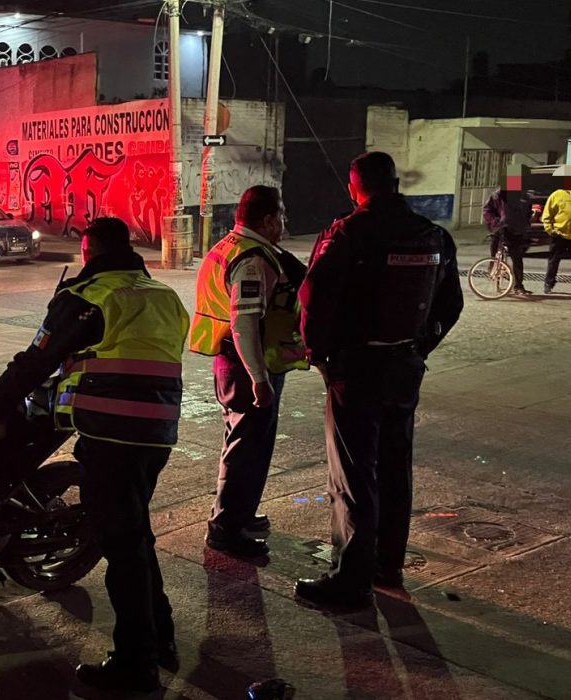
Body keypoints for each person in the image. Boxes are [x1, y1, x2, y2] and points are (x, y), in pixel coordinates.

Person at [0, 218, 190, 693]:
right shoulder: (164, 296)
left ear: (88, 251)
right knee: (136, 537)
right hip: (157, 433)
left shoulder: (90, 296)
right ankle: (159, 639)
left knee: (122, 548)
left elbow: (33, 363)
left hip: (110, 434)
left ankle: (135, 666)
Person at [296, 152, 463, 609]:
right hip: (405, 367)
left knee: (353, 475)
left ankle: (350, 581)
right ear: (395, 183)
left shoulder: (348, 233)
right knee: (394, 468)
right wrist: (419, 346)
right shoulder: (433, 235)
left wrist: (318, 355)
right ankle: (388, 566)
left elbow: (313, 297)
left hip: (357, 369)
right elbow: (451, 304)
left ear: (356, 188)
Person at [190, 186, 309, 558]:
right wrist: (259, 379)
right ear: (269, 219)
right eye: (282, 216)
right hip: (247, 366)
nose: (284, 224)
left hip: (231, 361)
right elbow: (244, 322)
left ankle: (237, 514)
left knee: (240, 444)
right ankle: (226, 530)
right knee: (248, 450)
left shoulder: (228, 246)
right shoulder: (253, 260)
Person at [481, 188, 532, 296]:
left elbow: (527, 212)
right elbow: (487, 210)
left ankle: (518, 285)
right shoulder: (497, 194)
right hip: (500, 228)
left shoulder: (523, 195)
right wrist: (495, 221)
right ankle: (493, 268)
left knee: (517, 258)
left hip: (516, 230)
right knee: (495, 251)